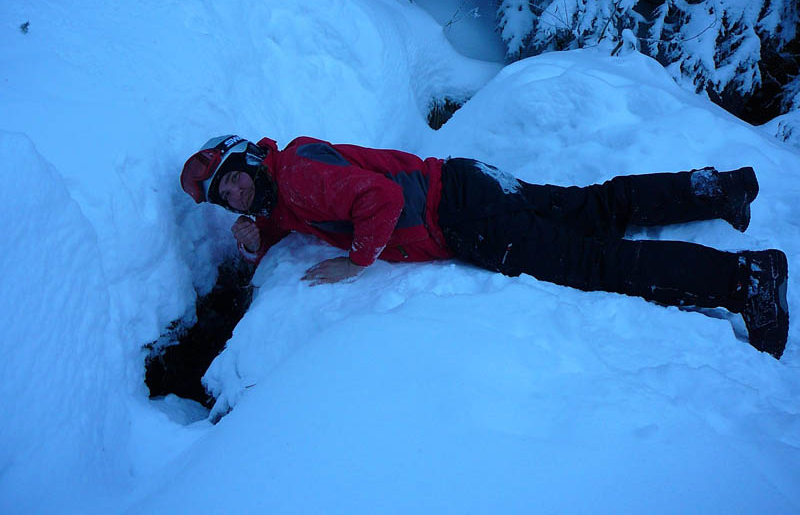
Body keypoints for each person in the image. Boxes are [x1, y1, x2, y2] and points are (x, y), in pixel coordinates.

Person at [181, 134, 790, 359]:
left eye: (233, 180)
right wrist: (257, 235)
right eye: (226, 199)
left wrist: (354, 261)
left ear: (247, 161)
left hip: (462, 218)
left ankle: (746, 281)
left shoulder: (296, 176)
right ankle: (718, 189)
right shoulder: (285, 186)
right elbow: (299, 214)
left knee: (593, 264)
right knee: (591, 207)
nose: (236, 195)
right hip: (467, 182)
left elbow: (380, 204)